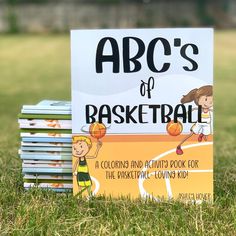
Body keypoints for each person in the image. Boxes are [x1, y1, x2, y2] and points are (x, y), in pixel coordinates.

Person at [176, 85, 213, 155]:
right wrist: (185, 114)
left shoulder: (210, 109)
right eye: (206, 99)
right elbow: (193, 109)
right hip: (199, 123)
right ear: (197, 99)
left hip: (207, 124)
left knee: (206, 135)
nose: (210, 102)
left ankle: (202, 135)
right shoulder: (200, 109)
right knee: (191, 134)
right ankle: (179, 146)